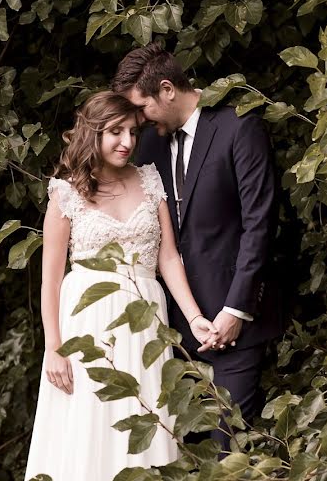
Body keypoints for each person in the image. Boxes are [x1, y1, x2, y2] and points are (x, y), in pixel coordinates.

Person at [24, 91, 218, 481]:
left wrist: (195, 317)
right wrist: (54, 349)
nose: (127, 142)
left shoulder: (149, 179)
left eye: (132, 131)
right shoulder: (65, 193)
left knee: (143, 422)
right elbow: (51, 279)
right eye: (115, 131)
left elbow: (167, 258)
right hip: (87, 328)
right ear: (93, 132)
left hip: (145, 326)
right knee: (89, 429)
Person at [112, 44, 282, 453]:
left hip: (235, 329)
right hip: (170, 335)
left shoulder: (239, 127)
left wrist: (236, 310)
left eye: (142, 107)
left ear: (167, 89)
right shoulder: (148, 146)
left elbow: (260, 224)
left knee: (229, 453)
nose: (137, 121)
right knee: (180, 457)